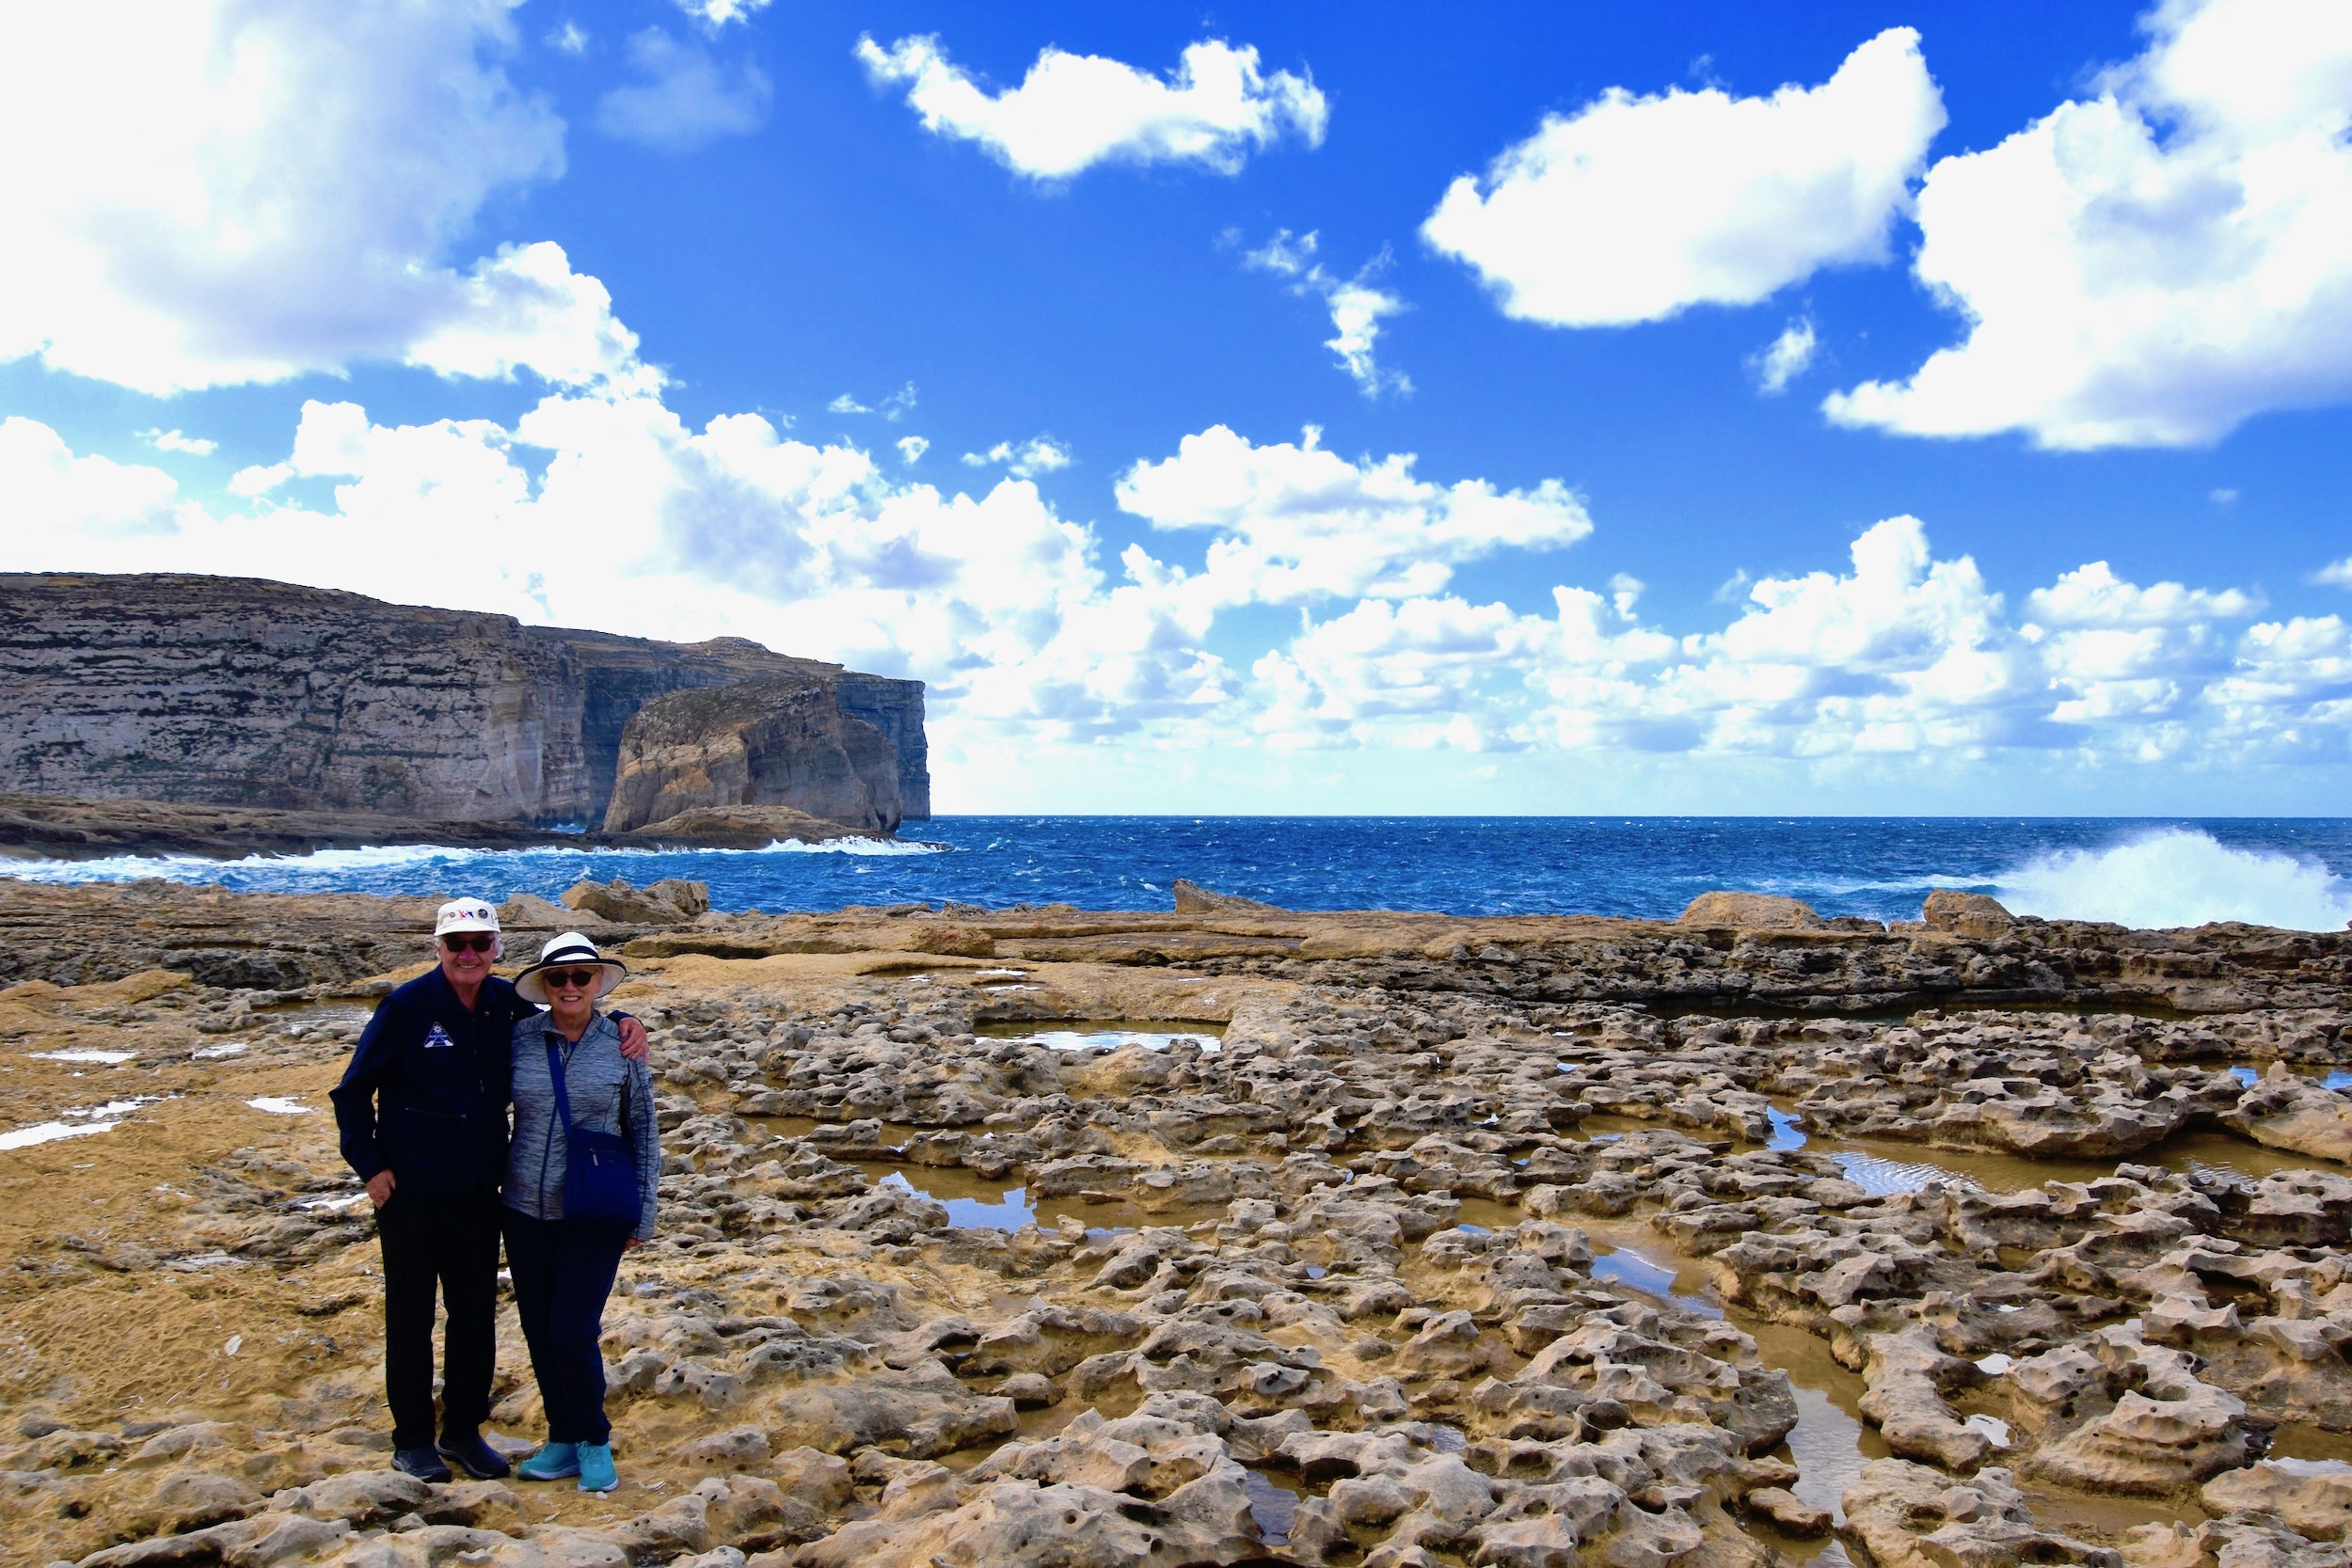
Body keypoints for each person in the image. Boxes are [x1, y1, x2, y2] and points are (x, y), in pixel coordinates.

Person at [328, 899, 647, 1483]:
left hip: (482, 1188)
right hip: (410, 1191)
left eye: (481, 943)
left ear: (498, 948)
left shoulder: (505, 1004)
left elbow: (570, 1004)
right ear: (438, 948)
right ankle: (413, 1439)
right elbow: (351, 1094)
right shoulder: (406, 1007)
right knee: (410, 1315)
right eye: (457, 944)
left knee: (474, 1315)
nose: (469, 954)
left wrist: (625, 1019)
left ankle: (463, 1432)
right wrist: (370, 1168)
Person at [502, 932, 660, 1494]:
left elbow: (644, 1127)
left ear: (597, 981)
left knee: (572, 1330)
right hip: (523, 1207)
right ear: (543, 985)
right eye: (558, 978)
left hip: (594, 1210)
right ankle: (562, 1439)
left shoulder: (621, 1042)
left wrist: (644, 1213)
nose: (570, 986)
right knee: (541, 1332)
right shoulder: (519, 1037)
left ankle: (594, 1439)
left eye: (581, 976)